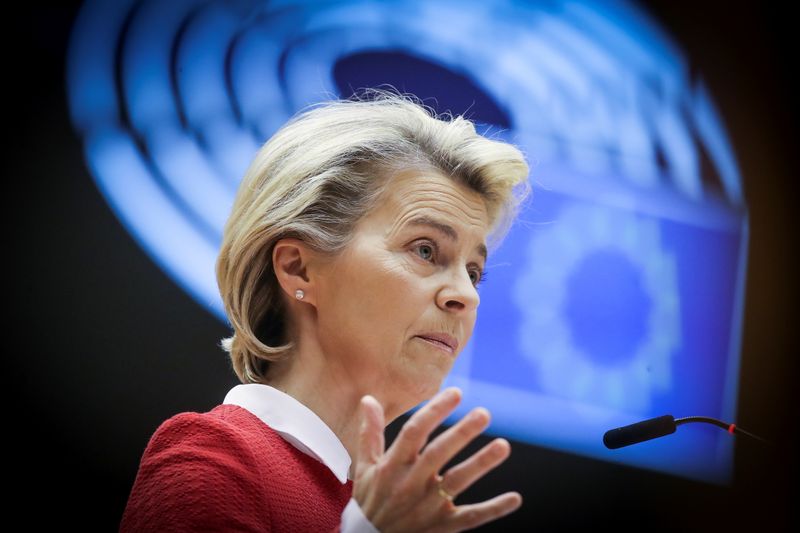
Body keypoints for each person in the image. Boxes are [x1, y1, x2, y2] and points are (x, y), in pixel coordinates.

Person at [120, 90, 530, 532]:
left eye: (474, 272)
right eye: (426, 249)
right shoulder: (212, 458)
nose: (466, 296)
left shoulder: (392, 514)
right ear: (298, 269)